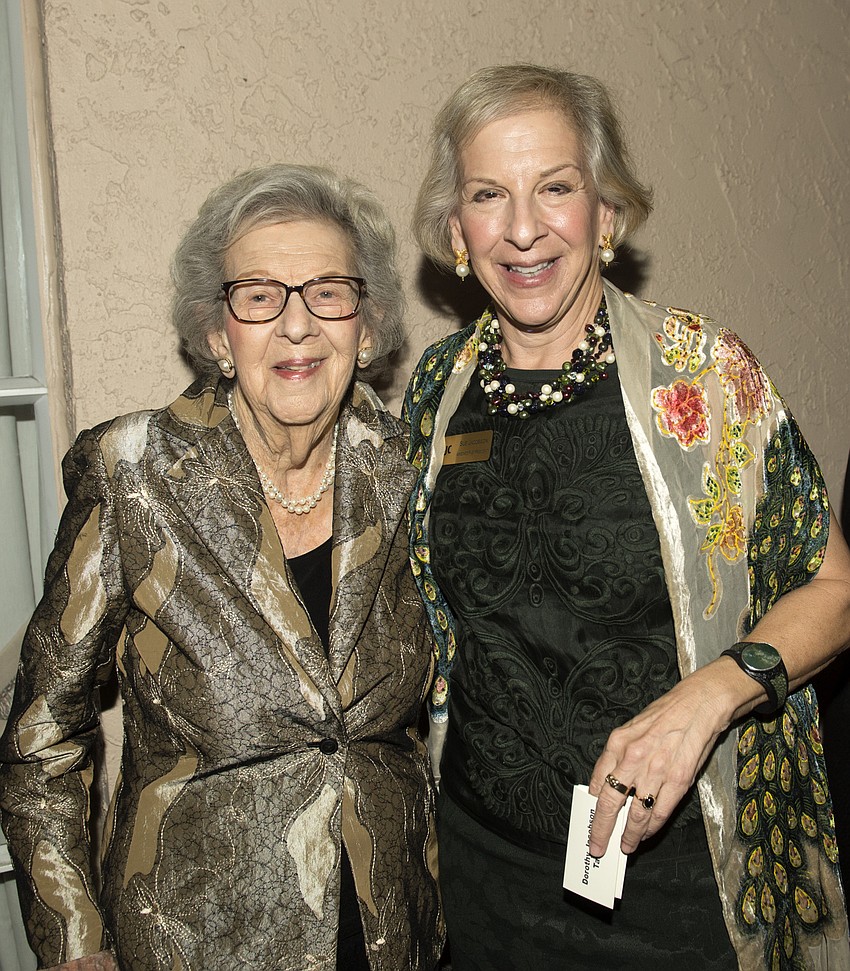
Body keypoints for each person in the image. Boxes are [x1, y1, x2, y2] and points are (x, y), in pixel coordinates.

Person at [404, 64, 850, 970]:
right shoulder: (434, 394)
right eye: (490, 195)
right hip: (486, 879)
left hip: (677, 888)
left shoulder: (707, 375)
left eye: (555, 189)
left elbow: (835, 592)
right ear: (458, 230)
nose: (523, 229)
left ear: (606, 215)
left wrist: (706, 698)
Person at [0, 163, 444, 971]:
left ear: (367, 326)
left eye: (327, 292)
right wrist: (74, 941)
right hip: (194, 939)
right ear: (216, 334)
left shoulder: (410, 469)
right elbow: (43, 734)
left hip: (391, 936)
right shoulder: (133, 473)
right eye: (260, 295)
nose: (297, 325)